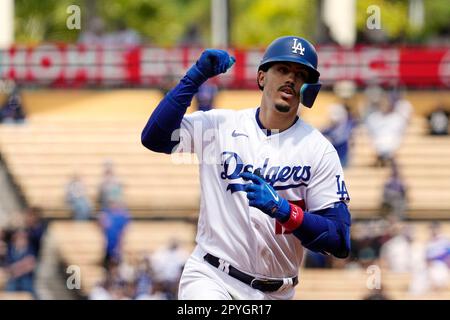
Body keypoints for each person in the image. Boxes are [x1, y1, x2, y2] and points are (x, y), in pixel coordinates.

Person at [141, 36, 351, 300]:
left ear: (309, 87)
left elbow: (340, 240)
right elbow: (154, 137)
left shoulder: (318, 149)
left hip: (279, 291)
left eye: (300, 74)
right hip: (212, 276)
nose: (291, 79)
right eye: (283, 70)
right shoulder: (220, 126)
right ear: (262, 77)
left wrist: (285, 211)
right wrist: (195, 76)